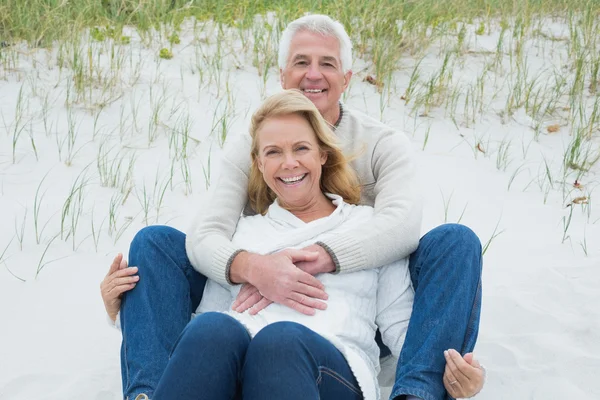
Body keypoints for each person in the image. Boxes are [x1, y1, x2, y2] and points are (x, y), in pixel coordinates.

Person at [101, 14, 484, 400]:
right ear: (283, 75)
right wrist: (250, 268)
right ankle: (148, 393)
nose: (313, 75)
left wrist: (320, 256)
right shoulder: (247, 184)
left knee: (455, 241)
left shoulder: (382, 147)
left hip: (348, 316)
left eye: (327, 63)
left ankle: (421, 392)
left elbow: (400, 230)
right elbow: (206, 242)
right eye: (301, 62)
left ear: (323, 155)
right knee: (159, 251)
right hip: (255, 306)